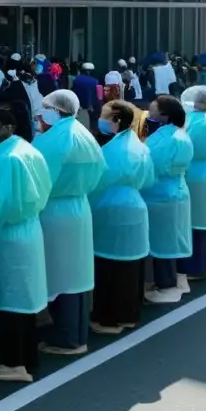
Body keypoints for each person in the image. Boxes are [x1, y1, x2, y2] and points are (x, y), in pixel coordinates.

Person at [0, 107, 51, 381]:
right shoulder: (28, 150)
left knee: (10, 302)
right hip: (29, 230)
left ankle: (14, 363)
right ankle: (28, 358)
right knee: (24, 301)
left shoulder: (2, 159)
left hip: (7, 237)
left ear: (7, 127)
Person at [32, 89, 105, 355]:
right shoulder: (85, 134)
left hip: (54, 212)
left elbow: (37, 181)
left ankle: (67, 337)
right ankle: (75, 331)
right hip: (79, 207)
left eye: (45, 108)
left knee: (61, 276)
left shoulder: (51, 140)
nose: (40, 114)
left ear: (56, 111)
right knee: (77, 275)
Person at [89, 100, 153, 334]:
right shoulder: (140, 147)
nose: (100, 118)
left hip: (110, 209)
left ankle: (109, 319)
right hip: (135, 205)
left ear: (116, 120)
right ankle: (129, 314)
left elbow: (95, 183)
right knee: (132, 266)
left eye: (105, 115)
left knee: (109, 267)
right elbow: (148, 179)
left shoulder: (107, 152)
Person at [140, 96, 194, 304]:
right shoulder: (176, 134)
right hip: (172, 191)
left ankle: (167, 286)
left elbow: (154, 164)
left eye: (154, 107)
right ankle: (172, 282)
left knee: (164, 244)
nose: (149, 109)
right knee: (170, 240)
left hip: (162, 193)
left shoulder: (168, 139)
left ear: (165, 114)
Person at [176, 87, 206, 288]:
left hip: (192, 175)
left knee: (192, 224)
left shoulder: (191, 123)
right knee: (203, 225)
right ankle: (201, 264)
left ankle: (192, 267)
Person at [72, 62, 100, 130]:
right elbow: (99, 96)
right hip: (91, 108)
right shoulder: (96, 81)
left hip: (78, 107)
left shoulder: (76, 79)